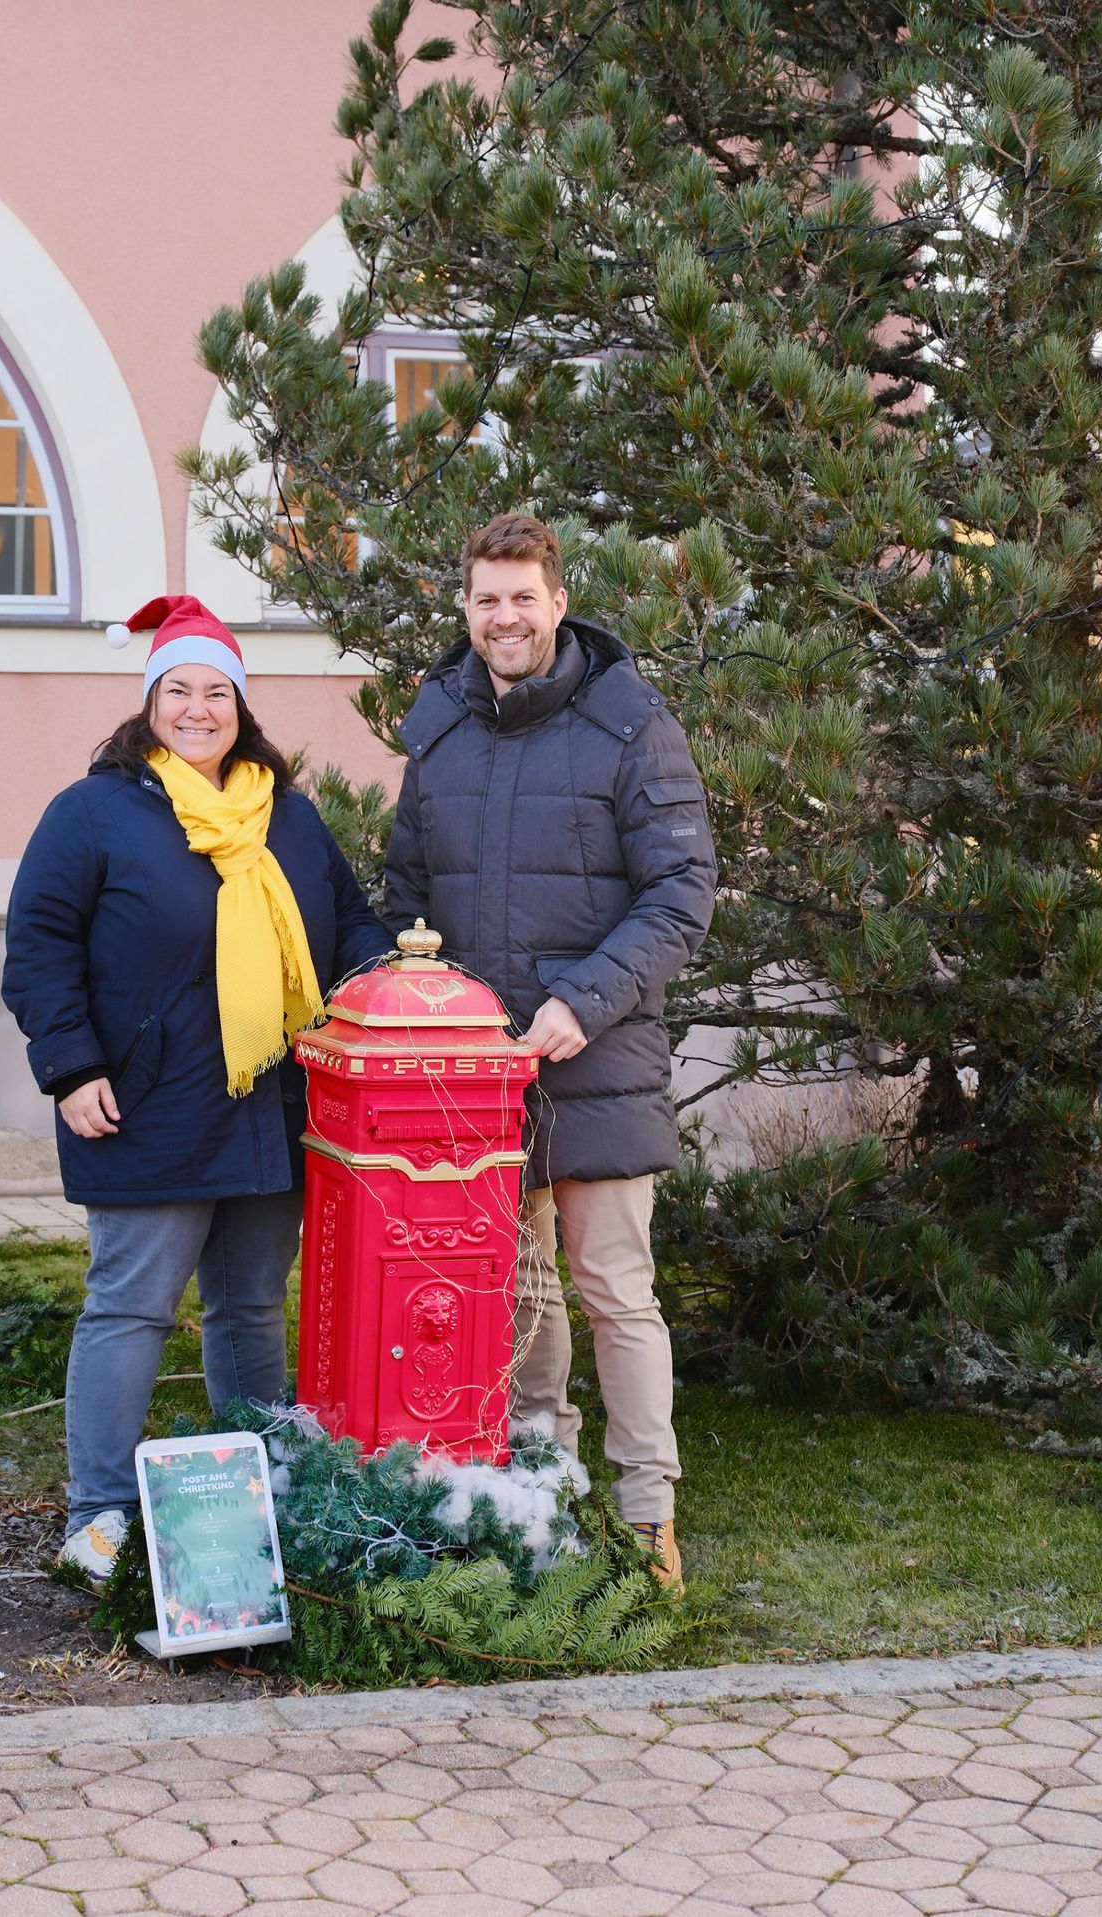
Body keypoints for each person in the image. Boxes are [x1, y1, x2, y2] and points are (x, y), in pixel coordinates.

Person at [3, 594, 389, 1585]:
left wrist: (389, 988)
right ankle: (99, 1516)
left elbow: (349, 926)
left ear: (242, 708)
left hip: (268, 1106)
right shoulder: (94, 812)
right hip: (144, 1102)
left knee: (252, 1308)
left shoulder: (289, 819)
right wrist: (71, 1066)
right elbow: (39, 946)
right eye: (178, 689)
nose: (198, 707)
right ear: (148, 706)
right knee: (130, 1306)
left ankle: (249, 1501)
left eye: (218, 691)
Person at [384, 515, 716, 1584]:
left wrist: (584, 1000)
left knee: (613, 1287)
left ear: (558, 601)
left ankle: (646, 1511)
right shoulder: (437, 728)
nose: (505, 617)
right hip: (479, 1076)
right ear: (465, 607)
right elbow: (405, 895)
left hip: (598, 1058)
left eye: (523, 597)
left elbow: (681, 894)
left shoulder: (630, 727)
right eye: (486, 598)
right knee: (517, 1291)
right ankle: (542, 1489)